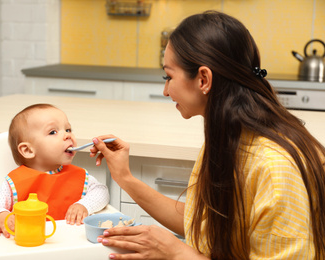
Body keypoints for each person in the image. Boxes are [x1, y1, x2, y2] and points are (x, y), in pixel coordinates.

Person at [89, 10, 325, 260]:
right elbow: (201, 227)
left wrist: (175, 252)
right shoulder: (229, 135)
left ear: (203, 79)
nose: (166, 90)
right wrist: (124, 177)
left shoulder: (275, 168)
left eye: (168, 76)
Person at [0, 103, 109, 237]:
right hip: (29, 245)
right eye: (53, 132)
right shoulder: (16, 182)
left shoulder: (80, 176)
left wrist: (84, 206)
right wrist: (1, 216)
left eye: (68, 129)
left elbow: (102, 191)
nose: (67, 135)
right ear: (28, 150)